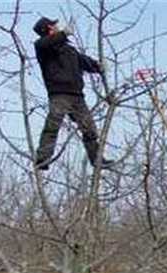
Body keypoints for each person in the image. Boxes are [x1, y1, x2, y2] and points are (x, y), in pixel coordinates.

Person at [32, 17, 113, 171]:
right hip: (59, 94)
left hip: (77, 96)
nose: (57, 27)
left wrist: (98, 66)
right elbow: (46, 43)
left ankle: (97, 159)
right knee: (53, 125)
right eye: (54, 26)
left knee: (89, 128)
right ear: (48, 29)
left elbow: (83, 61)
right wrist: (64, 34)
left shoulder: (69, 49)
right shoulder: (43, 47)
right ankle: (42, 158)